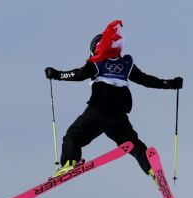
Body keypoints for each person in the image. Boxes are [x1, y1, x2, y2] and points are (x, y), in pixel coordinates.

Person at [44, 20, 182, 181]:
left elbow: (78, 75)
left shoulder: (97, 62)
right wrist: (170, 84)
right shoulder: (125, 65)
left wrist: (57, 74)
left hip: (99, 109)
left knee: (72, 137)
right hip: (117, 115)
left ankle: (69, 164)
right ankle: (152, 170)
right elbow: (147, 80)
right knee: (133, 144)